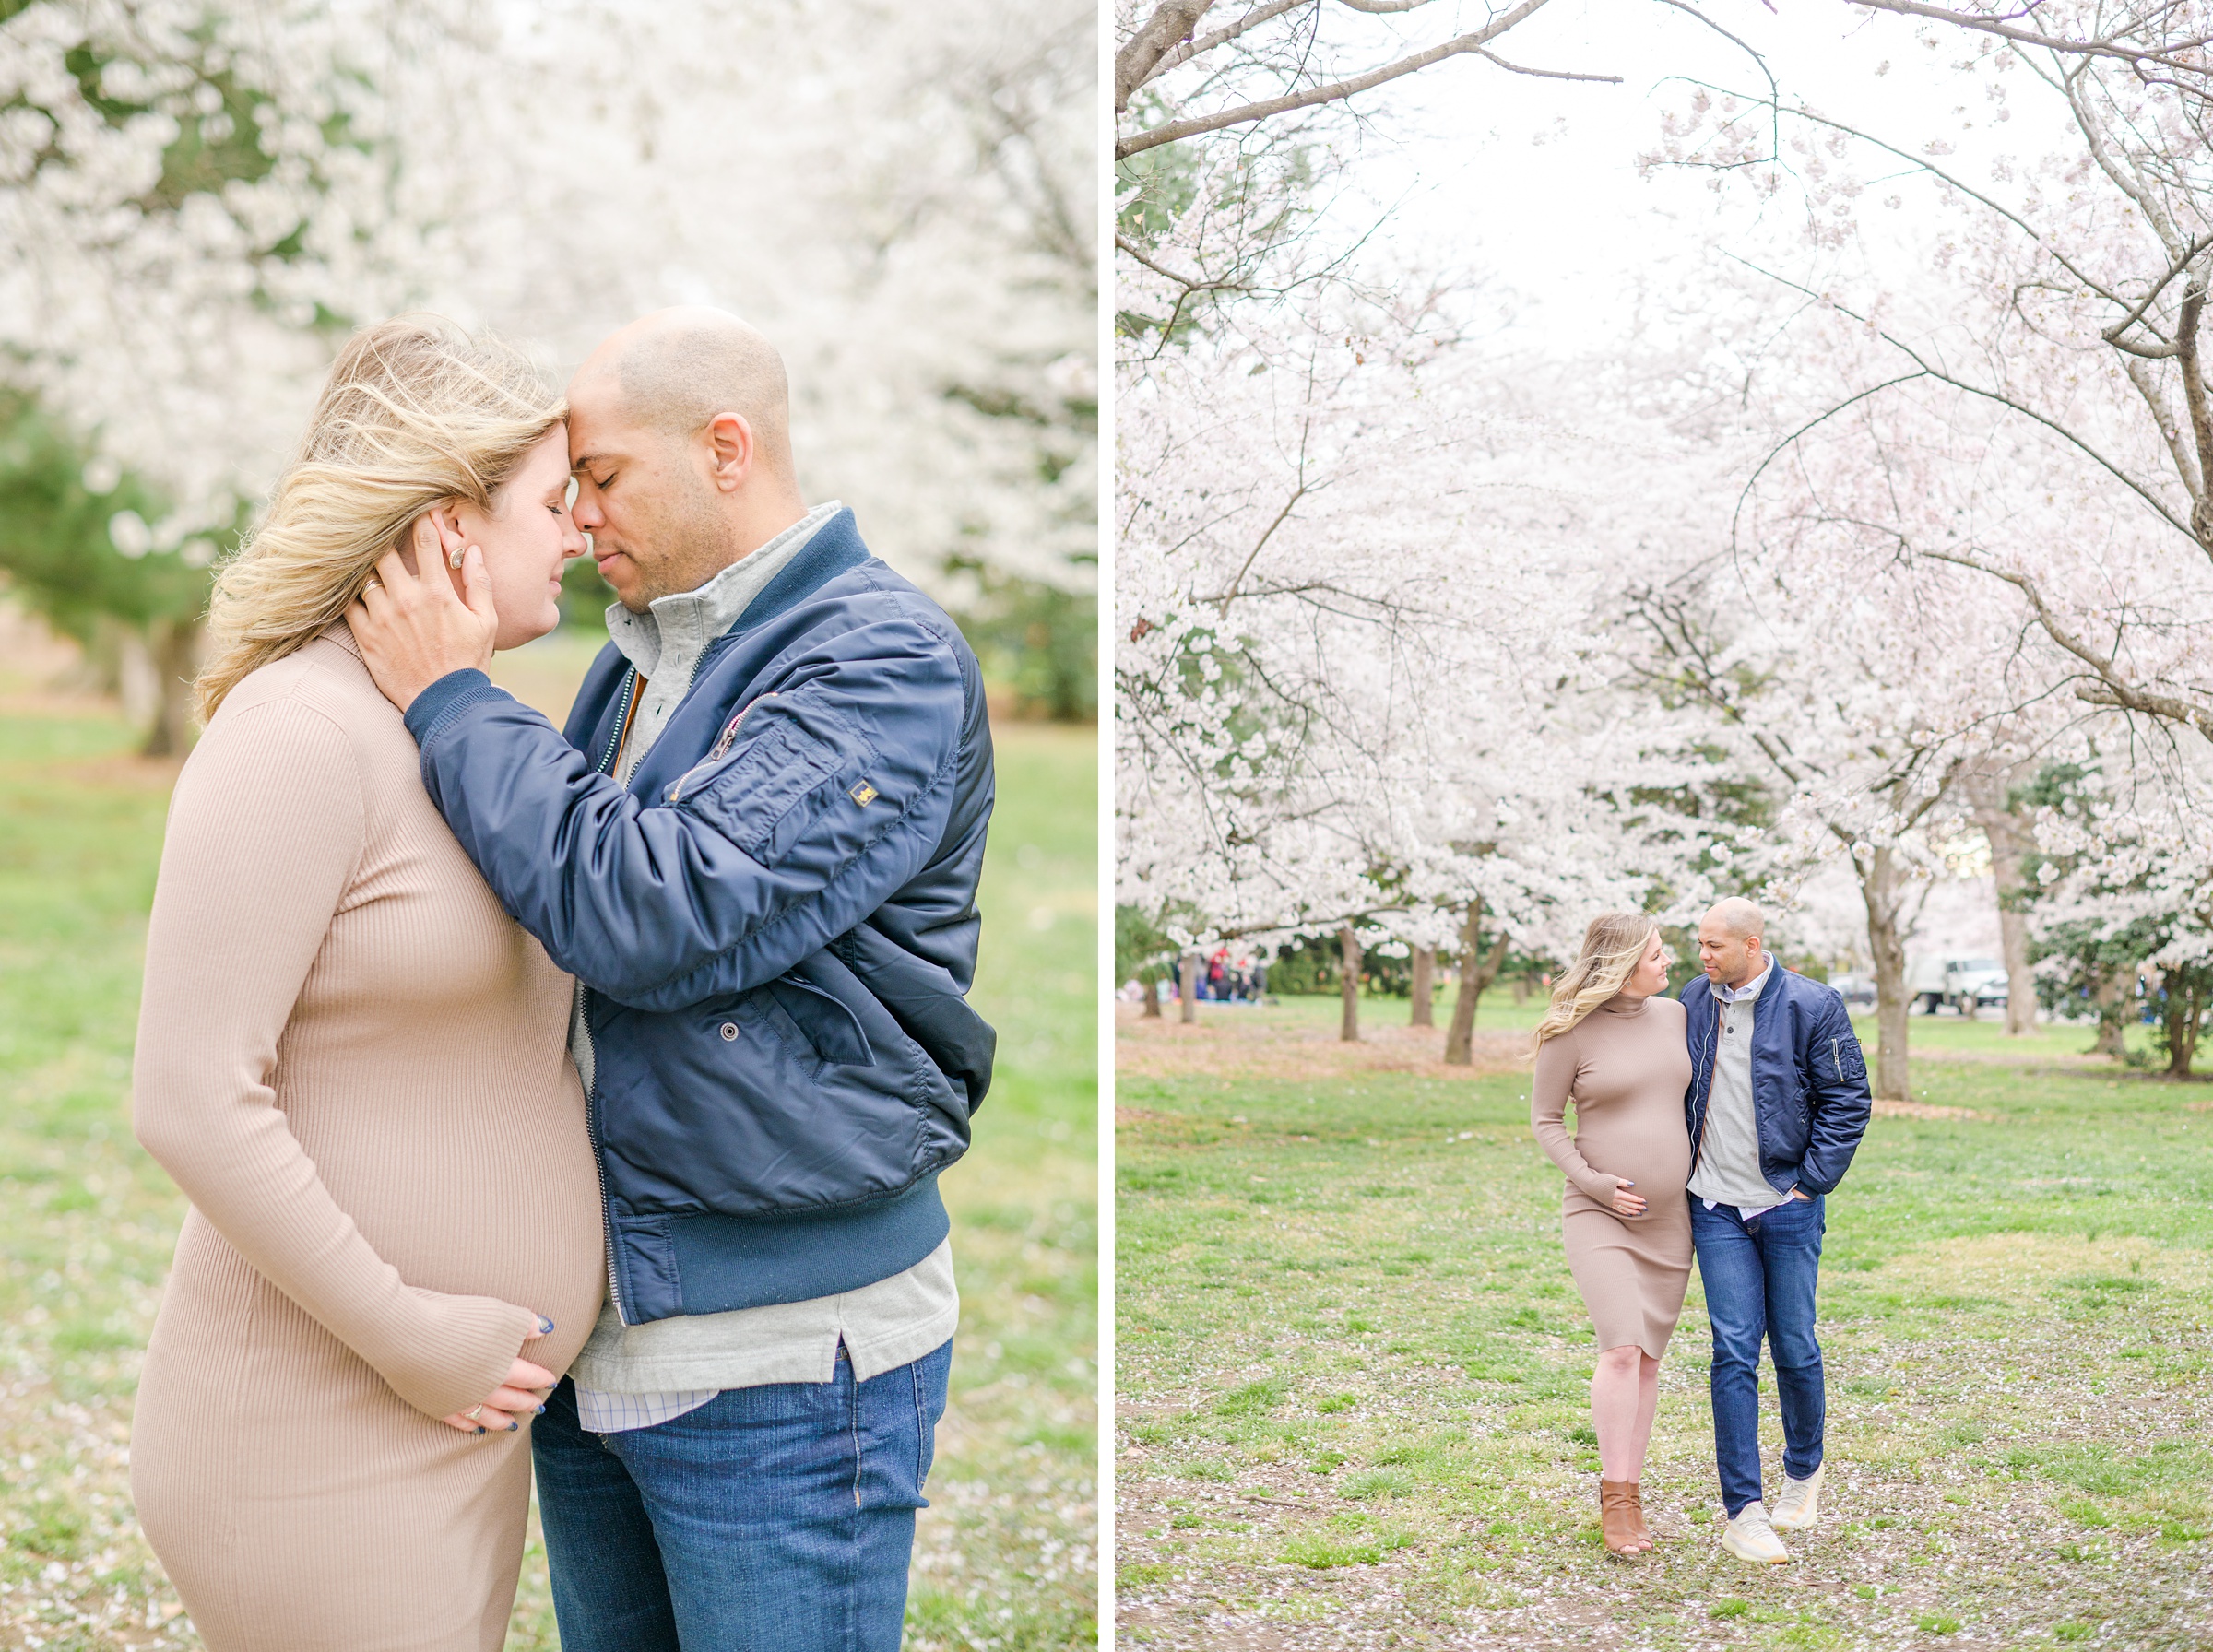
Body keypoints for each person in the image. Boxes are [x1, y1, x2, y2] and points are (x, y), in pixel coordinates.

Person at [350, 306, 995, 1651]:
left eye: (602, 477)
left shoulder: (878, 659)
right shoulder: (632, 666)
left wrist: (453, 699)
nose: (580, 523)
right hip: (605, 1338)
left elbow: (658, 910)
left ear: (724, 448)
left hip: (780, 1356)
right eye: (569, 489)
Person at [129, 316, 606, 1649]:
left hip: (451, 1427)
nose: (577, 534)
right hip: (312, 1425)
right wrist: (408, 1334)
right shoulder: (299, 731)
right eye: (551, 504)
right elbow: (187, 1098)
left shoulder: (462, 730)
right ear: (451, 526)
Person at [1681, 898, 1871, 1565]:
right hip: (1713, 1206)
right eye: (1698, 945)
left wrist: (1808, 1182)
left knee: (1793, 1342)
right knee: (1733, 1349)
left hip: (1786, 1204)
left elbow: (1850, 1100)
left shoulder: (1814, 1006)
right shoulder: (1693, 1001)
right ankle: (1743, 1510)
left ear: (1751, 944)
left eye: (1713, 946)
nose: (1702, 957)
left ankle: (1803, 1474)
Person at [1530, 913, 1693, 1557]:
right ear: (1622, 962)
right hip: (1600, 1215)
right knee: (1621, 1349)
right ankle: (1616, 1502)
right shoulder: (1568, 1031)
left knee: (1649, 1357)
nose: (1667, 960)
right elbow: (1546, 1121)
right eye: (1655, 953)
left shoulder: (1677, 1016)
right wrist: (1594, 1183)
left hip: (1669, 1220)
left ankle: (1633, 1487)